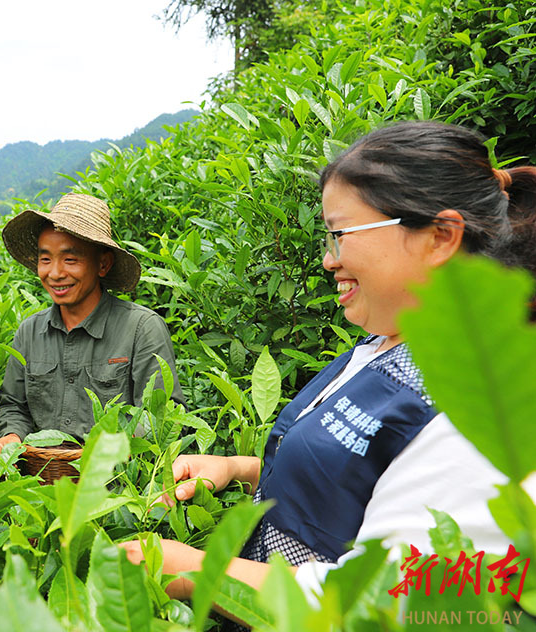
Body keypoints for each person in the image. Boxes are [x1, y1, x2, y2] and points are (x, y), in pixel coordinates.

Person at [121, 121, 536, 614]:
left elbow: (384, 604)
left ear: (440, 237)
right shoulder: (385, 346)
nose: (327, 259)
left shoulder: (481, 404)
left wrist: (192, 570)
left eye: (342, 234)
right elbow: (358, 476)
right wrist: (238, 469)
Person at [0, 193, 185, 457]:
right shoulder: (30, 332)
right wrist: (11, 436)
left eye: (70, 260)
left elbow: (163, 417)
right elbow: (14, 407)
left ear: (103, 264)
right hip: (38, 483)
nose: (55, 273)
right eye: (45, 259)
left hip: (116, 487)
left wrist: (103, 451)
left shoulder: (141, 328)